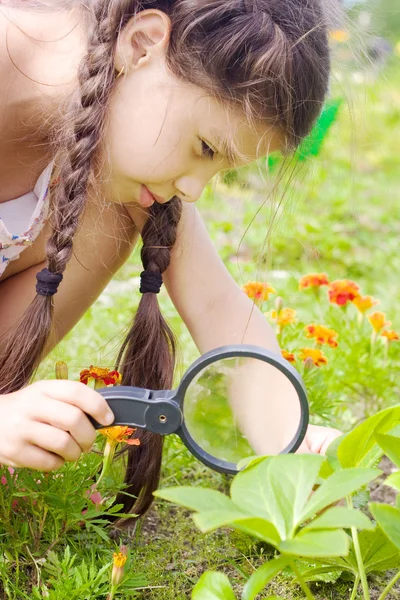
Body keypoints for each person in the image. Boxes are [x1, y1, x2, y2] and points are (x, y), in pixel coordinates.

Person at [0, 0, 341, 525]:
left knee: (124, 208)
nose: (195, 189)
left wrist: (289, 444)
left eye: (221, 170)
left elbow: (221, 311)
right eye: (205, 148)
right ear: (141, 45)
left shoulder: (118, 164)